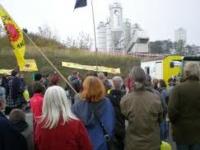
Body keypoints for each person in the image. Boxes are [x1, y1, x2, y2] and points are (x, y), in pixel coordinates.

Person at [35, 86, 92, 150]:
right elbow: (87, 147)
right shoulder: (76, 124)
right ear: (64, 100)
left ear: (46, 101)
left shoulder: (40, 125)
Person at [120, 66, 163, 150]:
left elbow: (124, 119)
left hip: (133, 144)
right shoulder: (155, 98)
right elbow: (160, 119)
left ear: (131, 80)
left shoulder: (125, 100)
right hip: (152, 144)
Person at [72, 76, 115, 150]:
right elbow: (110, 127)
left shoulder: (77, 105)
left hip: (83, 143)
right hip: (101, 143)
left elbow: (73, 128)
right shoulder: (106, 103)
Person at [168, 62, 200, 150]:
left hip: (182, 132)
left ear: (186, 73)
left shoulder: (178, 89)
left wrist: (175, 122)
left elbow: (171, 110)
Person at [107, 76, 126, 150]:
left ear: (112, 84)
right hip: (121, 126)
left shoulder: (106, 98)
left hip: (110, 127)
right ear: (121, 85)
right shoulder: (125, 97)